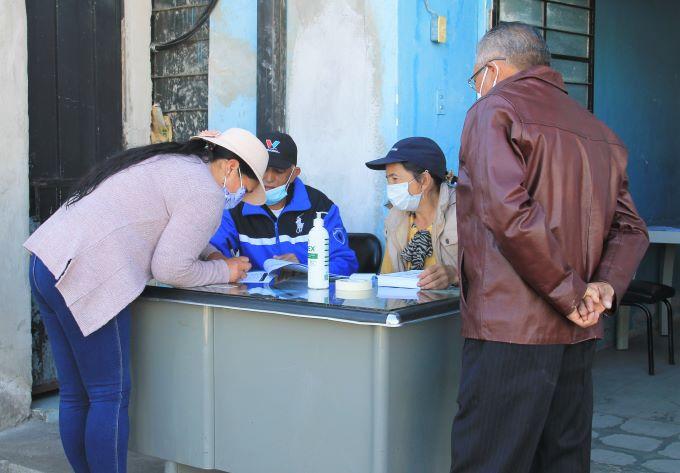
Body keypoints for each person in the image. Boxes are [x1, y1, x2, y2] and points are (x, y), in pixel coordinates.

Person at [451, 22, 649, 472]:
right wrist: (601, 287)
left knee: (490, 459)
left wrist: (570, 290)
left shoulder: (493, 110)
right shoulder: (600, 132)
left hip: (510, 329)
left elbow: (508, 213)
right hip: (578, 331)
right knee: (563, 458)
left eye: (474, 78)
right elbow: (632, 228)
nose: (475, 89)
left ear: (492, 69)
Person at [23, 128, 268, 473]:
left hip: (46, 262)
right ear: (230, 167)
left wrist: (212, 255)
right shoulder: (206, 194)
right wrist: (224, 272)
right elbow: (169, 267)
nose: (241, 197)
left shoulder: (176, 162)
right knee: (109, 394)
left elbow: (168, 227)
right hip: (91, 275)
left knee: (76, 393)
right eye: (247, 188)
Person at [209, 131, 359, 276]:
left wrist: (303, 265)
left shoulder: (321, 207)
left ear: (294, 174)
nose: (268, 178)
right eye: (263, 169)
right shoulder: (236, 206)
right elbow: (210, 251)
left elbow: (346, 263)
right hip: (254, 299)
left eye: (278, 171)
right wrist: (225, 263)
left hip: (309, 299)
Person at [365, 137, 458, 290]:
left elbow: (495, 273)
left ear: (424, 181)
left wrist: (455, 275)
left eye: (395, 179)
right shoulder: (395, 217)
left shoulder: (466, 214)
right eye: (388, 180)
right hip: (410, 310)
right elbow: (388, 280)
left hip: (455, 312)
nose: (391, 187)